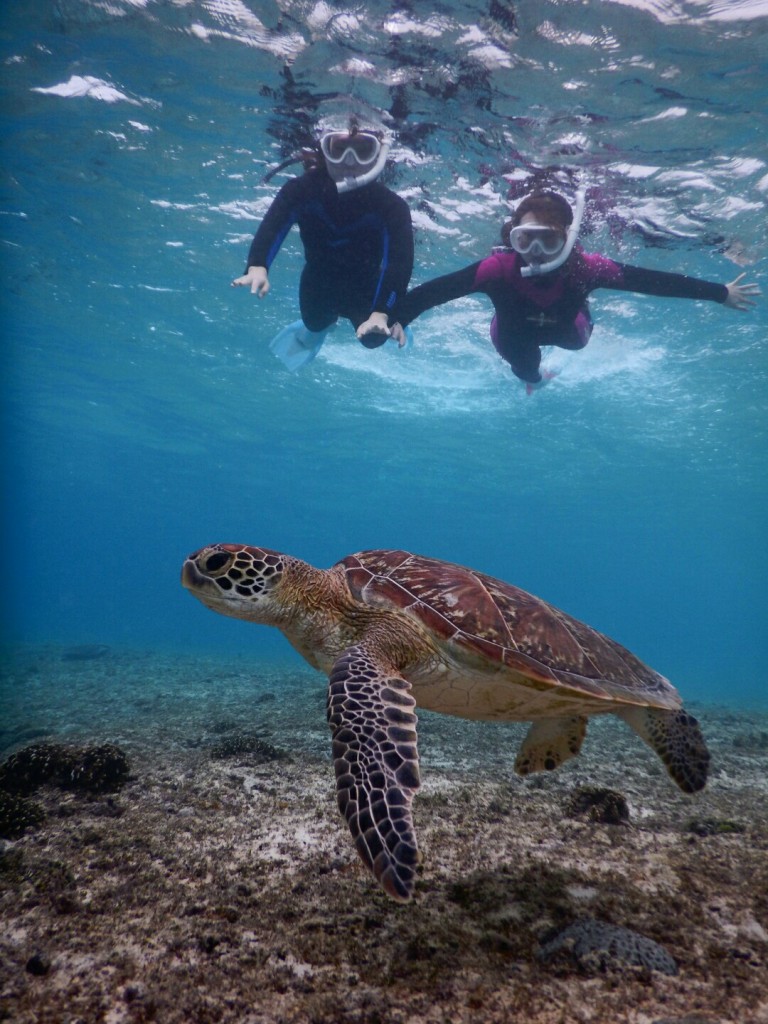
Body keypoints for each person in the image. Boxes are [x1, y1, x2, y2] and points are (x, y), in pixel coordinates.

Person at [390, 190, 760, 393]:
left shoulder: (587, 268)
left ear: (567, 240)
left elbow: (651, 281)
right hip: (513, 335)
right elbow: (440, 290)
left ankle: (541, 373)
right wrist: (397, 317)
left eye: (547, 240)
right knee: (527, 373)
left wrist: (718, 292)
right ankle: (536, 382)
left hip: (569, 331)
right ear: (512, 237)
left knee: (577, 341)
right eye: (525, 240)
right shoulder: (497, 270)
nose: (534, 252)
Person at [233, 120, 414, 371]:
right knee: (315, 323)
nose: (349, 162)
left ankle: (387, 321)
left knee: (373, 339)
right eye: (338, 149)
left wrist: (383, 312)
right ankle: (318, 332)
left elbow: (399, 263)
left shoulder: (391, 206)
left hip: (365, 285)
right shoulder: (301, 190)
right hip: (319, 278)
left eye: (362, 150)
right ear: (323, 150)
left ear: (378, 156)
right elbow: (274, 226)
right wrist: (257, 267)